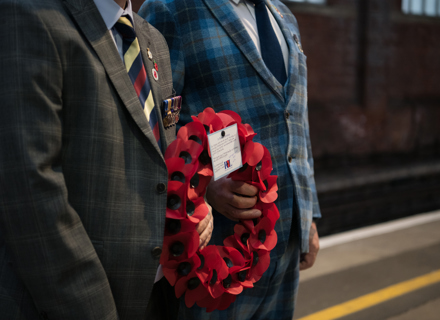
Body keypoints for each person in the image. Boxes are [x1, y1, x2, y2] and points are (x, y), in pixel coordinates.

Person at [0, 0, 212, 319]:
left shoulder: (154, 40)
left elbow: (160, 158)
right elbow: (30, 192)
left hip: (158, 296)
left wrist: (193, 204)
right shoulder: (29, 14)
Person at [139, 0, 321, 318]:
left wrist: (309, 218)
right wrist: (201, 184)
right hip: (216, 258)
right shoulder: (172, 9)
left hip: (285, 243)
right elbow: (154, 122)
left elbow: (296, 119)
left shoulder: (284, 15)